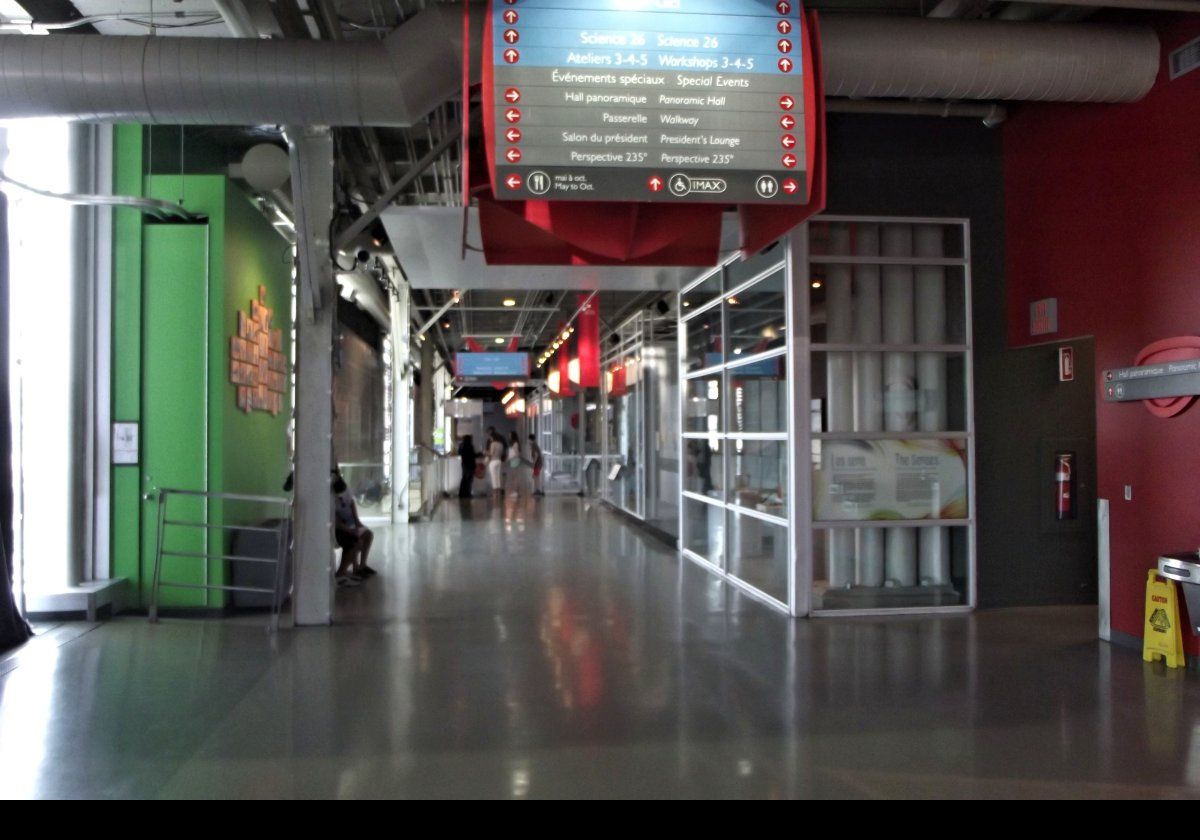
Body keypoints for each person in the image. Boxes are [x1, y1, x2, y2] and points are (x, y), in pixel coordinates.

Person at [333, 471, 375, 586]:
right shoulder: (331, 499)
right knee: (357, 542)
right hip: (339, 528)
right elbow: (336, 521)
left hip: (350, 524)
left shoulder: (345, 490)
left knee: (368, 534)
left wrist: (357, 522)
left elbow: (351, 503)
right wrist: (349, 530)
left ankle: (361, 566)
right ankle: (341, 573)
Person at [458, 434, 476, 499]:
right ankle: (467, 493)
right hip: (470, 464)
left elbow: (459, 453)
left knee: (464, 479)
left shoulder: (461, 445)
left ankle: (461, 493)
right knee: (469, 479)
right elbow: (473, 455)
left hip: (464, 464)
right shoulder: (470, 446)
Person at [487, 431, 505, 497]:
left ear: (492, 437)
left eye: (490, 437)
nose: (490, 439)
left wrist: (486, 453)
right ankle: (498, 491)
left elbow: (491, 453)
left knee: (493, 477)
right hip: (499, 461)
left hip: (493, 461)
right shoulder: (501, 444)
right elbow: (502, 453)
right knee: (498, 476)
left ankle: (495, 492)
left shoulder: (493, 444)